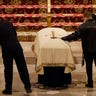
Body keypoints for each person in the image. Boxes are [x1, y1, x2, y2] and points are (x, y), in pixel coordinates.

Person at [61, 11, 96, 88]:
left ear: (85, 17)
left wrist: (63, 38)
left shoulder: (83, 26)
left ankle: (90, 83)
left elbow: (74, 36)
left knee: (89, 67)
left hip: (87, 50)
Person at [0, 20, 32, 94]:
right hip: (17, 46)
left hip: (6, 49)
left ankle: (8, 89)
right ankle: (28, 87)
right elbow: (15, 34)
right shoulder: (8, 23)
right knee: (22, 67)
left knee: (8, 69)